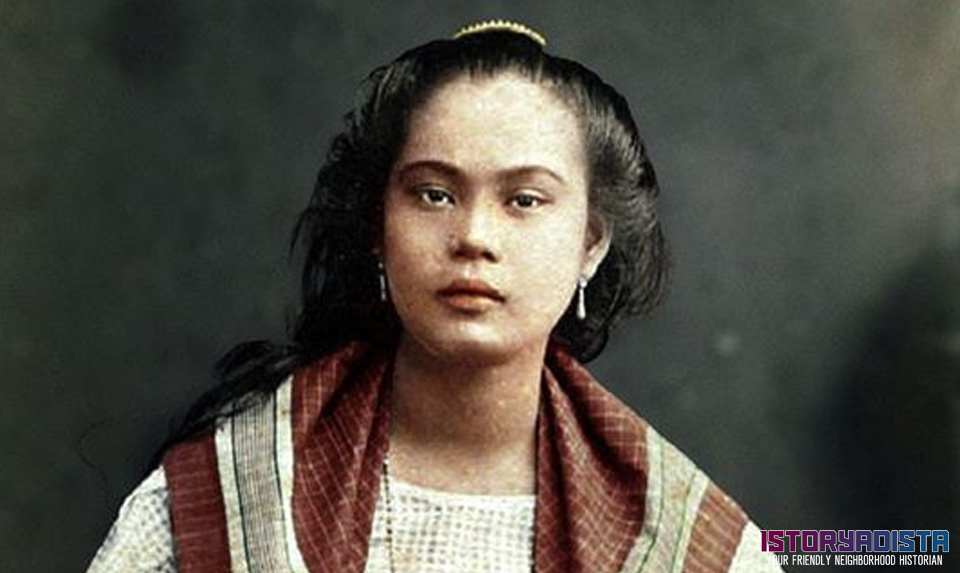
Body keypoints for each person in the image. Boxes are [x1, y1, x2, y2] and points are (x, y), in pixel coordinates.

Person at [87, 21, 782, 573]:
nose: (475, 235)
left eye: (525, 200)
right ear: (379, 230)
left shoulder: (681, 540)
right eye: (434, 194)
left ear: (591, 244)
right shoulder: (230, 492)